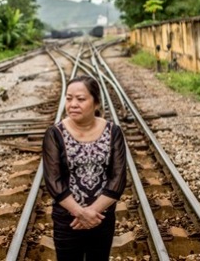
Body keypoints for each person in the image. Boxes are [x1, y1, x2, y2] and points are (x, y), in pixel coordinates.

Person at [42, 75, 127, 261]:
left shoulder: (113, 132)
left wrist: (92, 212)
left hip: (101, 218)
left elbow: (118, 178)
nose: (73, 104)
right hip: (68, 221)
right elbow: (53, 180)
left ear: (96, 103)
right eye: (69, 98)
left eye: (80, 99)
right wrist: (81, 213)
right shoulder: (55, 134)